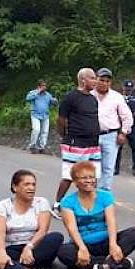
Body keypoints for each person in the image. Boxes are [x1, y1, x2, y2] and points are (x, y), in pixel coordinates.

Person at [0, 170, 63, 269]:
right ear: (15, 187)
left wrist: (29, 247)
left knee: (56, 237)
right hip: (13, 250)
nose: (31, 188)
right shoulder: (3, 205)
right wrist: (1, 253)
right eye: (26, 184)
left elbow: (43, 230)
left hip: (36, 247)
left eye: (33, 184)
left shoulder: (41, 202)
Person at [57, 161, 135, 269]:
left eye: (92, 177)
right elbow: (71, 228)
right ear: (75, 182)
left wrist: (113, 244)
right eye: (84, 178)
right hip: (84, 244)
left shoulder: (105, 196)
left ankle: (102, 265)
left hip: (106, 242)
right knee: (63, 252)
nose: (89, 181)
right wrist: (82, 248)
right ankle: (117, 262)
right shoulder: (67, 202)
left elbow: (111, 221)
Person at [52, 68, 101, 219]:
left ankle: (90, 206)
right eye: (92, 78)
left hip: (92, 144)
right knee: (69, 175)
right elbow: (61, 120)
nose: (95, 81)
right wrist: (65, 136)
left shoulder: (93, 99)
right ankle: (57, 204)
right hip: (74, 143)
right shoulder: (70, 97)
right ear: (83, 80)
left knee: (93, 176)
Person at [92, 68, 133, 191]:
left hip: (111, 136)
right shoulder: (89, 95)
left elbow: (127, 116)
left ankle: (104, 195)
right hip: (91, 136)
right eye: (101, 80)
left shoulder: (116, 97)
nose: (104, 83)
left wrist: (123, 133)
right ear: (96, 79)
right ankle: (90, 194)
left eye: (107, 81)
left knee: (108, 167)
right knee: (92, 167)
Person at [115, 79, 135, 177]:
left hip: (134, 126)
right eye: (126, 87)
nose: (128, 89)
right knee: (117, 148)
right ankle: (115, 168)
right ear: (123, 87)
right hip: (120, 126)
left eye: (130, 88)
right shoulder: (117, 98)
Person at [25, 79, 58, 154]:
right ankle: (32, 146)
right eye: (42, 86)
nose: (44, 87)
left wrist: (54, 101)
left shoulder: (48, 94)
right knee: (36, 130)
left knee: (45, 132)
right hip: (35, 114)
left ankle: (41, 147)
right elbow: (28, 98)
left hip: (45, 115)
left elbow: (52, 102)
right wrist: (38, 92)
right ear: (38, 86)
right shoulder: (33, 93)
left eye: (45, 86)